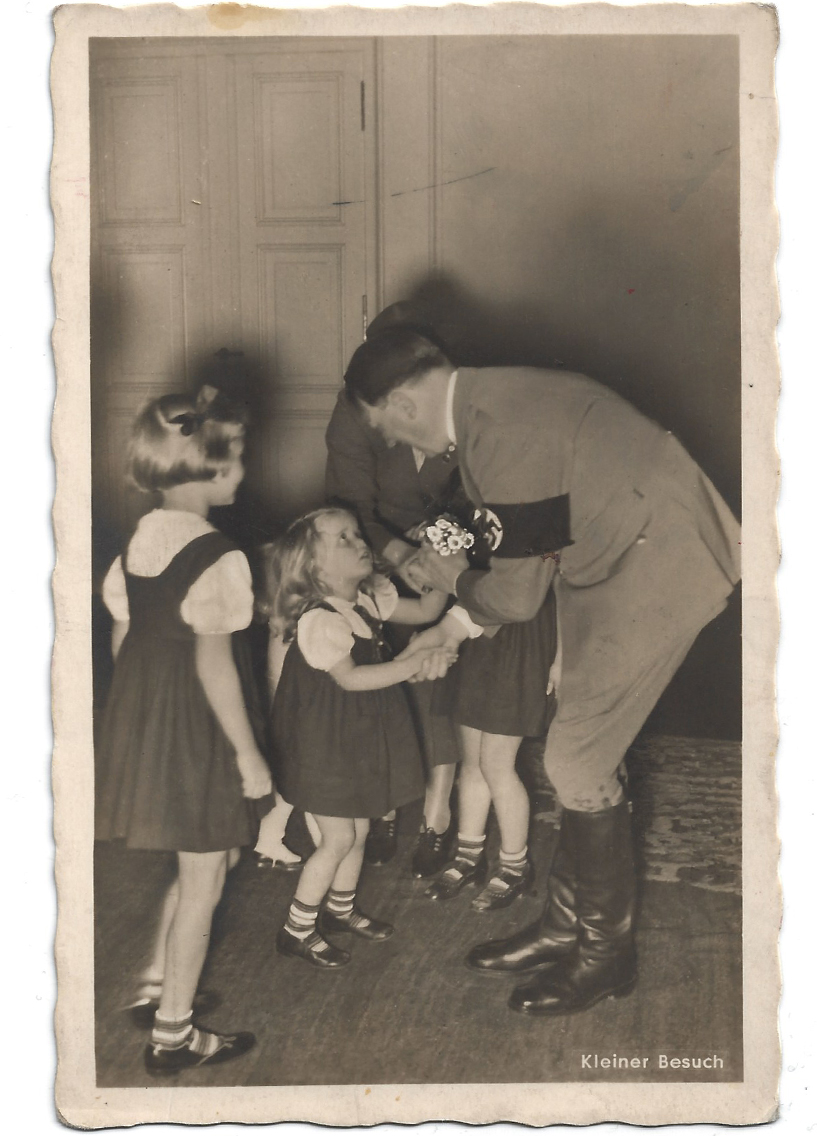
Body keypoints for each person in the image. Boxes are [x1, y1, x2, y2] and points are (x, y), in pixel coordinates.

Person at [343, 326, 741, 1016]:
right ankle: (567, 927)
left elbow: (513, 595)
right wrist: (444, 623)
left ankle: (604, 956)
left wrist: (446, 578)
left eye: (390, 433)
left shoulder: (499, 428)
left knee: (576, 761)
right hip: (603, 562)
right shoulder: (484, 412)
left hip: (657, 563)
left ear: (404, 404)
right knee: (580, 755)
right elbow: (492, 545)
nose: (403, 450)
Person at [95, 387, 274, 1074]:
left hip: (147, 719)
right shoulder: (218, 554)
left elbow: (123, 637)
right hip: (200, 726)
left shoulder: (140, 537)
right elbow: (215, 665)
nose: (245, 472)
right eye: (239, 462)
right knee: (206, 878)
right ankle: (174, 1035)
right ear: (211, 470)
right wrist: (249, 755)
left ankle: (155, 981)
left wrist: (138, 718)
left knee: (209, 856)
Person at [262, 508, 470, 969]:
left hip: (348, 740)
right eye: (342, 539)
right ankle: (295, 930)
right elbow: (351, 679)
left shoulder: (368, 598)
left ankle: (339, 910)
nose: (358, 542)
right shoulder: (320, 618)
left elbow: (430, 609)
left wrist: (439, 563)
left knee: (356, 832)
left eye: (357, 533)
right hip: (320, 747)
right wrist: (414, 664)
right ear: (314, 567)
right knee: (337, 838)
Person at [325, 308, 463, 876]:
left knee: (441, 674)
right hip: (379, 551)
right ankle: (383, 803)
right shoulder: (354, 421)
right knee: (381, 677)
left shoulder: (460, 407)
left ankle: (438, 810)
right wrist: (399, 555)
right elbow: (349, 509)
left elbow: (480, 499)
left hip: (453, 546)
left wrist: (437, 553)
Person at [420, 510, 557, 911]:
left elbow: (565, 592)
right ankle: (469, 855)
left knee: (498, 765)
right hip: (478, 640)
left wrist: (561, 660)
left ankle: (515, 866)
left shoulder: (544, 515)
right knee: (472, 765)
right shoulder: (477, 508)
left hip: (523, 644)